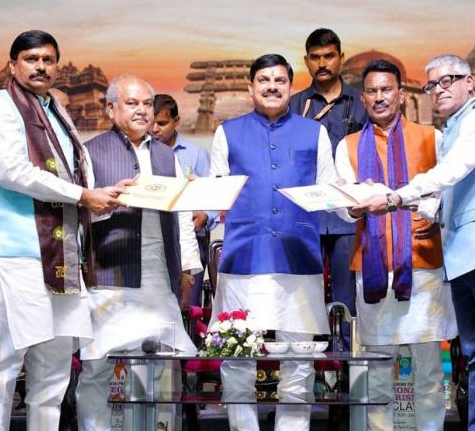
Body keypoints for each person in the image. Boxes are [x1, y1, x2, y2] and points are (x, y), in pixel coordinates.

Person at [354, 54, 475, 430]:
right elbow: (443, 198)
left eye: (448, 81)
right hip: (460, 257)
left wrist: (395, 197)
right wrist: (398, 202)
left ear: (469, 82)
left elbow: (450, 172)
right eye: (432, 85)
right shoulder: (455, 127)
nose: (438, 90)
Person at [0, 30, 122, 431]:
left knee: (54, 373)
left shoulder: (55, 109)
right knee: (2, 367)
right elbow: (12, 171)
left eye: (48, 60)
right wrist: (84, 196)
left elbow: (75, 174)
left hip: (62, 259)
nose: (40, 66)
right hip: (14, 255)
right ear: (13, 65)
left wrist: (104, 197)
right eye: (31, 59)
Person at [210, 54, 338, 431]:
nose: (271, 87)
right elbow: (215, 194)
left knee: (300, 358)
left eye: (280, 80)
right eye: (263, 80)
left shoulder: (314, 133)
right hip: (243, 260)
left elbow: (330, 190)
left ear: (290, 87)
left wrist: (355, 200)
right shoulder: (226, 133)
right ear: (250, 87)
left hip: (299, 259)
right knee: (236, 355)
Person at [336, 59, 457, 431]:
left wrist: (425, 212)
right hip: (373, 267)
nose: (379, 97)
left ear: (401, 95)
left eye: (386, 89)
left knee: (429, 369)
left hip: (422, 265)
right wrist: (352, 207)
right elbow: (342, 208)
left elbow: (446, 193)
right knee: (377, 369)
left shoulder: (432, 137)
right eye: (371, 91)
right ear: (362, 98)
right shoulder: (348, 146)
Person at [75, 75, 201, 431]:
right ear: (110, 108)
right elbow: (76, 213)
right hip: (109, 276)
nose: (142, 110)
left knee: (159, 365)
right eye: (132, 103)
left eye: (147, 103)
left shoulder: (165, 154)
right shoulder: (90, 151)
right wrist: (105, 203)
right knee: (99, 365)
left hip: (159, 274)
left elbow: (181, 215)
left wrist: (187, 268)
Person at [289, 29, 367, 348]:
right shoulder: (294, 105)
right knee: (303, 294)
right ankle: (308, 364)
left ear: (341, 58)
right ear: (306, 61)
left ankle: (346, 365)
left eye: (329, 56)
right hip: (304, 216)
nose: (322, 63)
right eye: (315, 57)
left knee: (347, 297)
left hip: (347, 216)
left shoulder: (361, 103)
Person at [152, 93, 218, 306]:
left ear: (176, 121)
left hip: (192, 240)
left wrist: (204, 216)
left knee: (188, 306)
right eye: (151, 123)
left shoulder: (196, 154)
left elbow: (213, 197)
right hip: (154, 241)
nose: (154, 129)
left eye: (162, 123)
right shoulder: (142, 154)